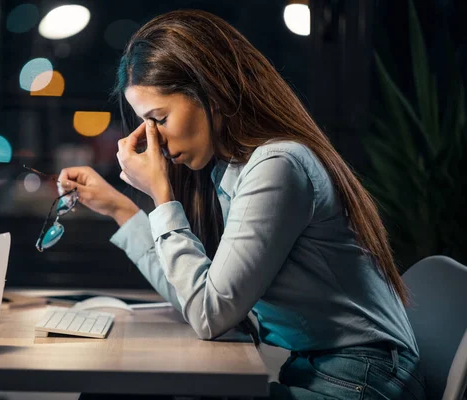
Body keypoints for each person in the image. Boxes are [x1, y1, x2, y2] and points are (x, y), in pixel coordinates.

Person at [58, 10, 426, 400]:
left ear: (210, 93)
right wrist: (121, 209)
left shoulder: (278, 165)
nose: (155, 141)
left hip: (363, 381)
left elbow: (207, 315)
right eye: (146, 124)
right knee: (115, 390)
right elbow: (200, 297)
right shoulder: (233, 171)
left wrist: (161, 195)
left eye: (159, 119)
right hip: (325, 373)